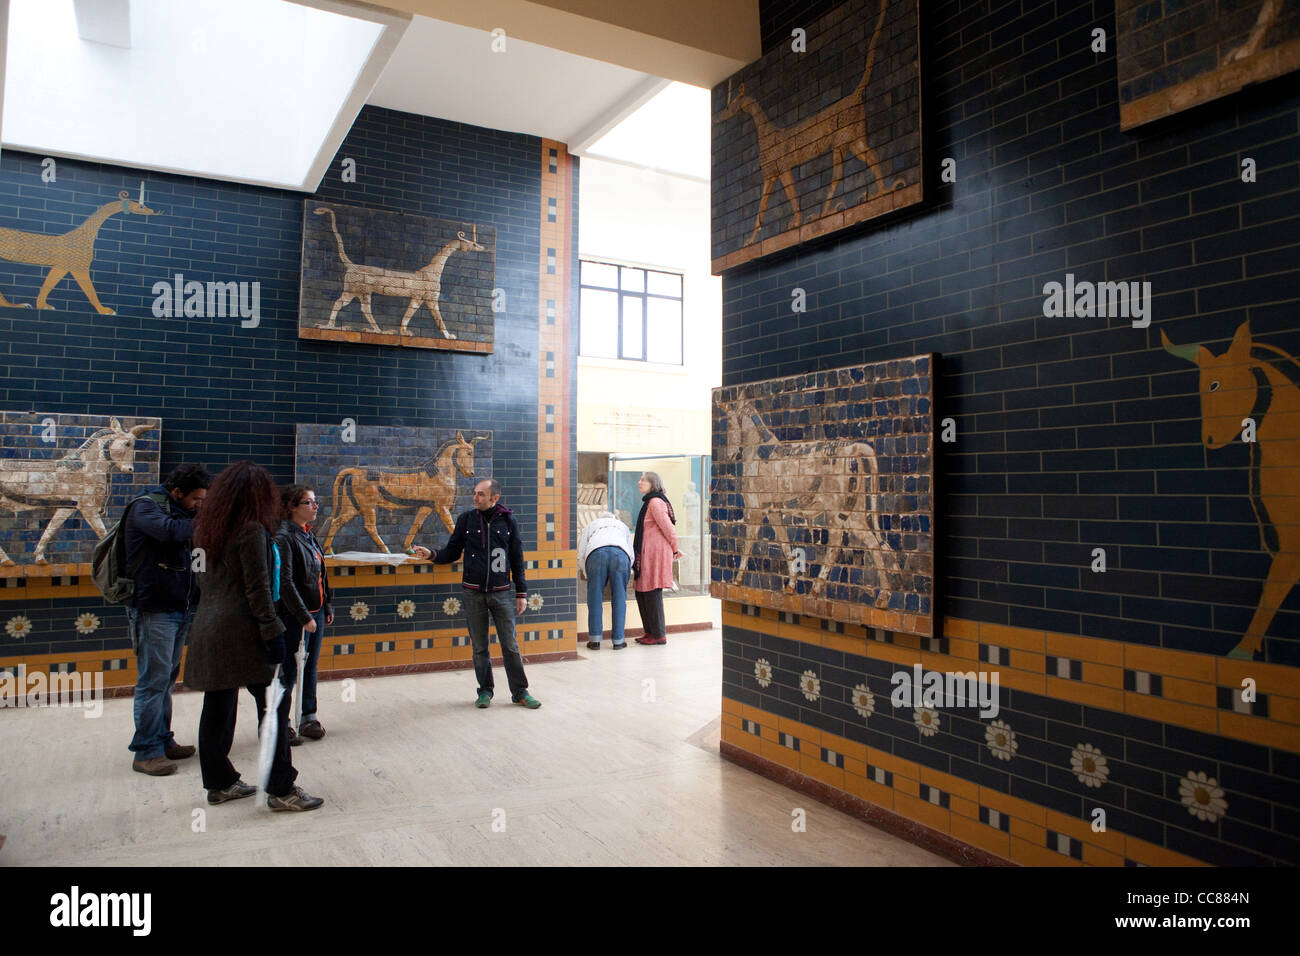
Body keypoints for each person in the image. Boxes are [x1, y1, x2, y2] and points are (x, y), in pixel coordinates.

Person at [186, 461, 324, 811]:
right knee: (274, 706)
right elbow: (258, 589)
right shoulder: (252, 531)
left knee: (217, 707)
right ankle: (282, 789)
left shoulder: (204, 527)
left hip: (208, 626)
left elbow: (198, 579)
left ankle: (219, 782)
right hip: (244, 629)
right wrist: (272, 632)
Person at [411, 478, 540, 709]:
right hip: (473, 594)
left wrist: (522, 593)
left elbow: (517, 558)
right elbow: (451, 552)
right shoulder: (466, 520)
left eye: (481, 494)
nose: (475, 497)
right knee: (479, 647)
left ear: (494, 498)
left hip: (501, 594)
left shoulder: (508, 521)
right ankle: (485, 691)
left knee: (510, 646)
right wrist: (430, 554)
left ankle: (520, 692)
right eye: (475, 493)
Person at [124, 463, 212, 776]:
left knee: (166, 679)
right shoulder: (145, 508)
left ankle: (162, 739)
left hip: (180, 607)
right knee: (153, 681)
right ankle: (146, 751)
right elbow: (170, 532)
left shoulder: (184, 513)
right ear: (177, 492)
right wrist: (208, 518)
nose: (199, 505)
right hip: (154, 608)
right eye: (197, 499)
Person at [272, 484, 333, 743]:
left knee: (310, 666)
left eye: (315, 501)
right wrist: (303, 616)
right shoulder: (284, 536)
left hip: (315, 611)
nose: (315, 506)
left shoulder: (308, 534)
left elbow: (320, 574)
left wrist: (326, 605)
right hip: (295, 614)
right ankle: (281, 722)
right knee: (288, 669)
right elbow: (284, 582)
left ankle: (308, 716)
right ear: (292, 507)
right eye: (309, 502)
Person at [632, 472, 681, 646]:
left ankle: (659, 634)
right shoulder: (650, 502)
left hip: (656, 555)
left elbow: (669, 528)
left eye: (643, 480)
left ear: (653, 484)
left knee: (652, 591)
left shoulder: (656, 502)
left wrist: (675, 548)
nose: (639, 482)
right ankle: (650, 631)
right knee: (641, 591)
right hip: (648, 554)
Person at [577, 511, 634, 649]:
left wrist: (587, 572)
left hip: (596, 554)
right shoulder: (622, 526)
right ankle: (619, 641)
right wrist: (626, 572)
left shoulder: (591, 525)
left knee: (595, 597)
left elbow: (581, 552)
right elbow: (631, 553)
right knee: (620, 598)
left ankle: (595, 640)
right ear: (614, 518)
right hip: (621, 554)